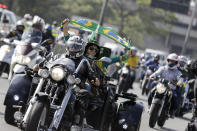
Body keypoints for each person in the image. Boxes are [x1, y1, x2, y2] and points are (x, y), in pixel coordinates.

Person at [148, 53, 183, 118]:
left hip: (171, 88)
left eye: (173, 61)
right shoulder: (162, 68)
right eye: (170, 60)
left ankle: (172, 111)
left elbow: (180, 79)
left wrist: (179, 83)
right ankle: (149, 105)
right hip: (160, 86)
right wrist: (152, 76)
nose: (171, 62)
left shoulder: (178, 72)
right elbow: (156, 73)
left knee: (174, 97)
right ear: (168, 60)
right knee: (151, 92)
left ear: (176, 62)